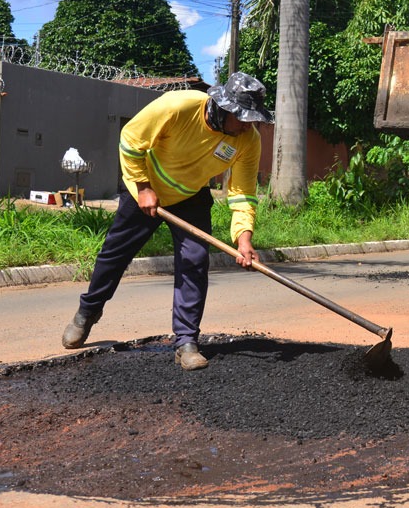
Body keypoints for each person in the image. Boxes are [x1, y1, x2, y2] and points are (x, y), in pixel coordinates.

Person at [61, 72, 273, 371]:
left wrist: (244, 237)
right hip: (145, 188)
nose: (248, 125)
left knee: (195, 262)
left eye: (253, 119)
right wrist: (144, 187)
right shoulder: (178, 107)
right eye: (242, 118)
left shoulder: (247, 140)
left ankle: (186, 342)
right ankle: (87, 313)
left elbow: (242, 193)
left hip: (190, 195)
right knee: (115, 255)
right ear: (224, 107)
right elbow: (131, 141)